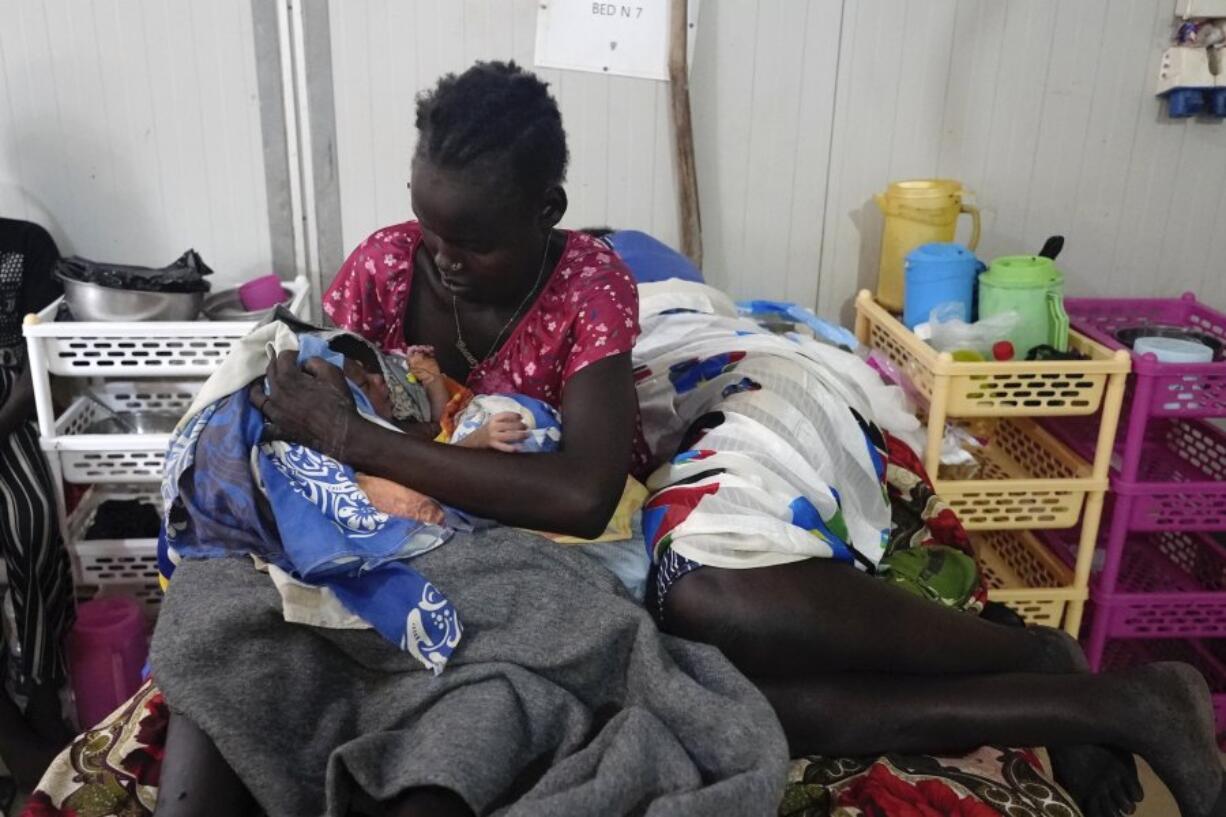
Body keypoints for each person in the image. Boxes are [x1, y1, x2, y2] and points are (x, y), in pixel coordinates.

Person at [141, 61, 763, 817]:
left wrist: (361, 441)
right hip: (383, 529)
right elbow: (307, 401)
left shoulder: (589, 287)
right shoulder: (385, 267)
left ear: (547, 209)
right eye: (429, 226)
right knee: (211, 612)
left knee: (488, 695)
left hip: (529, 552)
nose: (443, 257)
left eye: (474, 241)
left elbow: (582, 495)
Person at [0, 218, 74, 789]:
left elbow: (37, 357)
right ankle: (9, 731)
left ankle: (44, 689)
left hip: (9, 412)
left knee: (33, 520)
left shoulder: (23, 244)